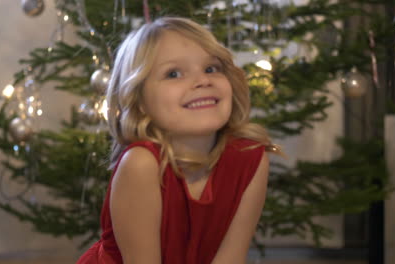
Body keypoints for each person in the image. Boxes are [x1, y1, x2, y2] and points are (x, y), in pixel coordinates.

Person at [77, 16, 282, 264]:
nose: (203, 81)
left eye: (211, 68)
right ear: (139, 101)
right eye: (174, 73)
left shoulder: (251, 158)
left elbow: (230, 258)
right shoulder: (141, 164)